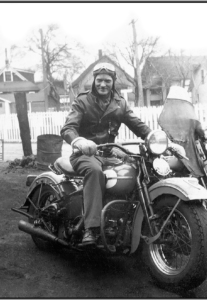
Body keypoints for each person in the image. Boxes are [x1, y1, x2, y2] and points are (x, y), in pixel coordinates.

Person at [58, 62, 151, 246]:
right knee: (95, 172)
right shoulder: (83, 101)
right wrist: (79, 141)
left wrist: (157, 138)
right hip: (84, 154)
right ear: (94, 80)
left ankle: (123, 220)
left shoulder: (120, 104)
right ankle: (91, 229)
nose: (103, 84)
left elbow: (139, 126)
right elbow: (68, 128)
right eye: (99, 80)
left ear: (113, 81)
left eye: (107, 81)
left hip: (108, 154)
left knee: (134, 169)